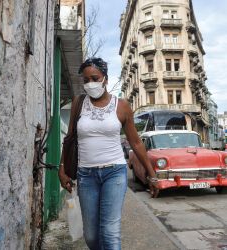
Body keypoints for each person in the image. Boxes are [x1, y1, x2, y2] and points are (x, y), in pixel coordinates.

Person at [58, 57, 159, 250]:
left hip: (114, 173)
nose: (90, 84)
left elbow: (136, 143)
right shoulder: (78, 103)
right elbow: (70, 138)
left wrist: (151, 174)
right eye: (86, 80)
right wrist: (62, 168)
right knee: (91, 235)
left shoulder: (121, 106)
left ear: (105, 78)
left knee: (110, 232)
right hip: (86, 175)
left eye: (94, 78)